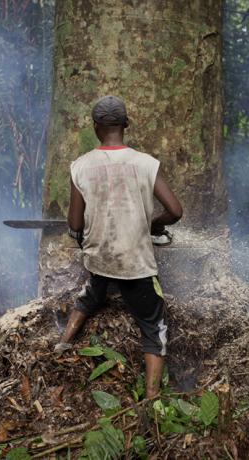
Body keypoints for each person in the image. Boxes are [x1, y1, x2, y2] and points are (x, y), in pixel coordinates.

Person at [54, 95, 183, 399]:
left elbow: (74, 224)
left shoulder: (81, 166)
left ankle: (63, 343)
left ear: (95, 126)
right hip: (135, 265)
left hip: (99, 259)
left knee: (92, 294)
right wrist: (154, 223)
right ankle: (152, 400)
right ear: (126, 124)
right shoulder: (145, 164)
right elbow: (175, 212)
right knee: (154, 326)